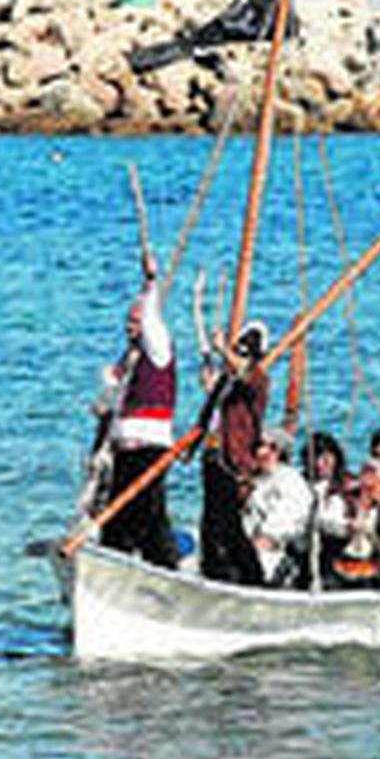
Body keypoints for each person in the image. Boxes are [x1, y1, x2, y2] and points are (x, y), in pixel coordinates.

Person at [99, 249, 180, 569]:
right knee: (117, 521)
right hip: (124, 451)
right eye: (128, 322)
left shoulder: (158, 350)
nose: (131, 327)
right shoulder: (129, 360)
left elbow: (151, 319)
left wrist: (150, 280)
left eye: (135, 322)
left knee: (149, 519)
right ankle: (112, 565)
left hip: (149, 448)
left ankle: (164, 569)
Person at [198, 320, 270, 584]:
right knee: (210, 524)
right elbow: (212, 407)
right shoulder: (230, 381)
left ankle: (254, 579)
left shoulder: (258, 379)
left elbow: (245, 376)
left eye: (242, 353)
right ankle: (212, 573)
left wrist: (221, 350)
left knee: (230, 527)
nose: (237, 357)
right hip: (214, 457)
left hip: (234, 462)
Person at [242, 427, 315, 587]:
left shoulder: (290, 481)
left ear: (277, 451)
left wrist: (265, 538)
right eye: (258, 446)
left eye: (263, 446)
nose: (259, 452)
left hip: (274, 558)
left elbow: (288, 521)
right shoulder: (256, 481)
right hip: (251, 548)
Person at [324, 464, 380, 589]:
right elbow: (327, 523)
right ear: (366, 479)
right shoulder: (341, 499)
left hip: (372, 575)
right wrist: (348, 527)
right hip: (337, 573)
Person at [301, 432, 352, 587]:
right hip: (309, 546)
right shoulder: (301, 485)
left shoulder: (347, 484)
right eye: (317, 458)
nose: (321, 464)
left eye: (326, 458)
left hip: (339, 547)